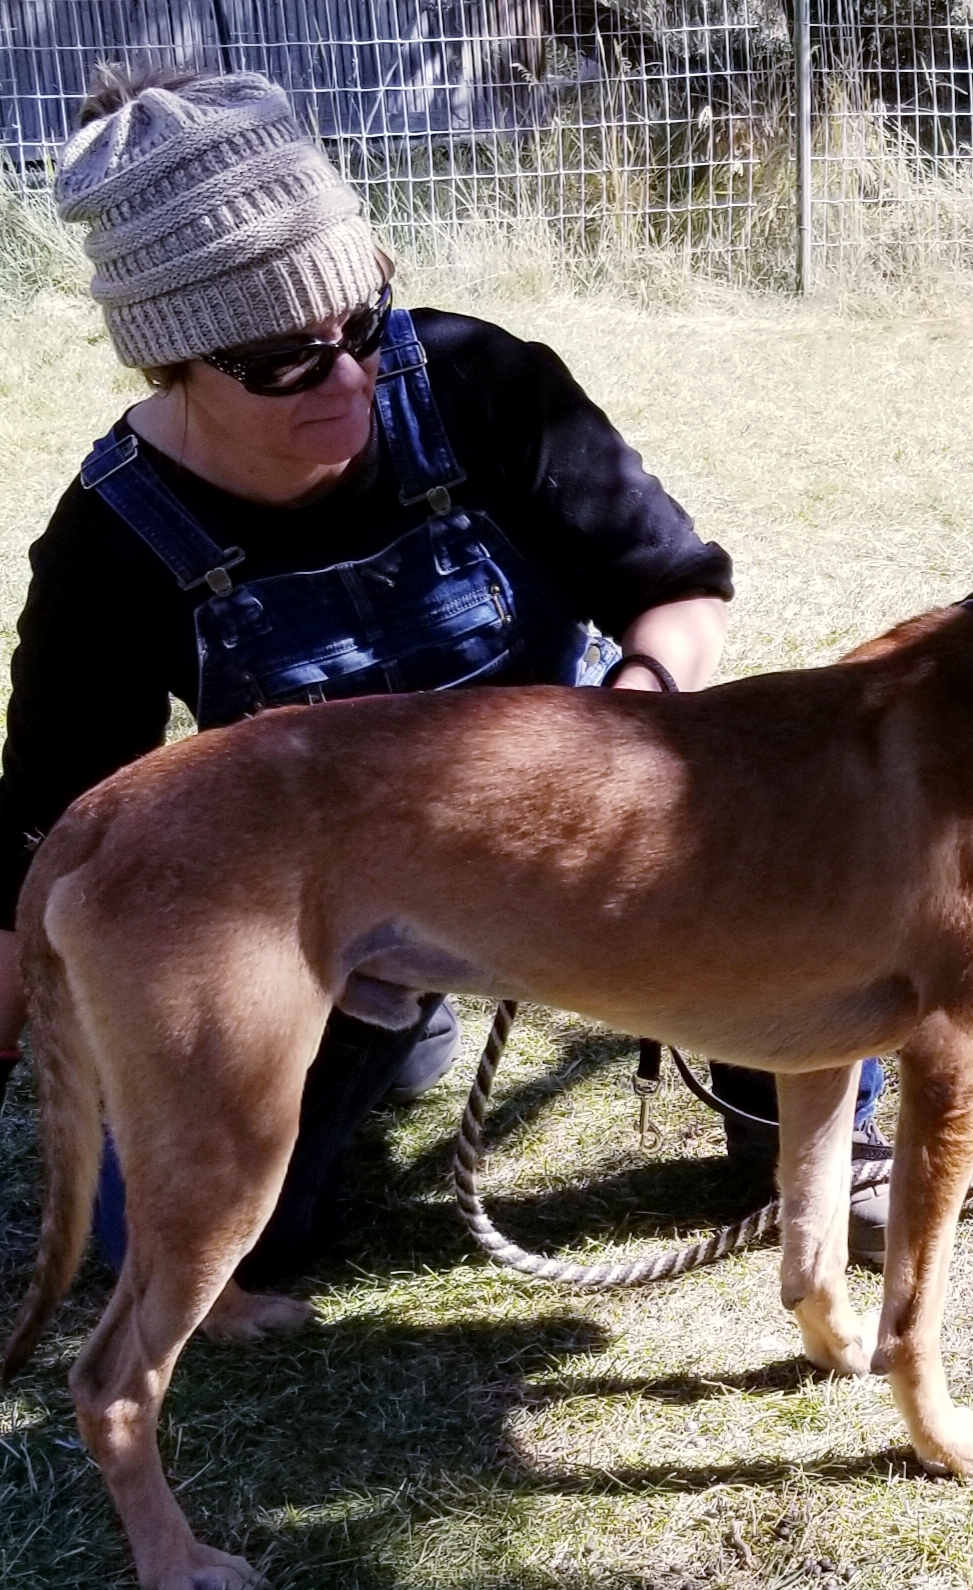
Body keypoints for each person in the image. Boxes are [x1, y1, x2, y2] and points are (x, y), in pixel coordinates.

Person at [0, 64, 888, 1313]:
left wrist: (632, 707)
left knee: (783, 861)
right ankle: (385, 1025)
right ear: (172, 360)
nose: (350, 381)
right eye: (284, 364)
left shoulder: (480, 383)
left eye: (362, 325)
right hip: (337, 898)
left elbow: (679, 585)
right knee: (176, 1240)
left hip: (596, 818)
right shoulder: (111, 543)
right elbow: (52, 827)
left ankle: (815, 1134)